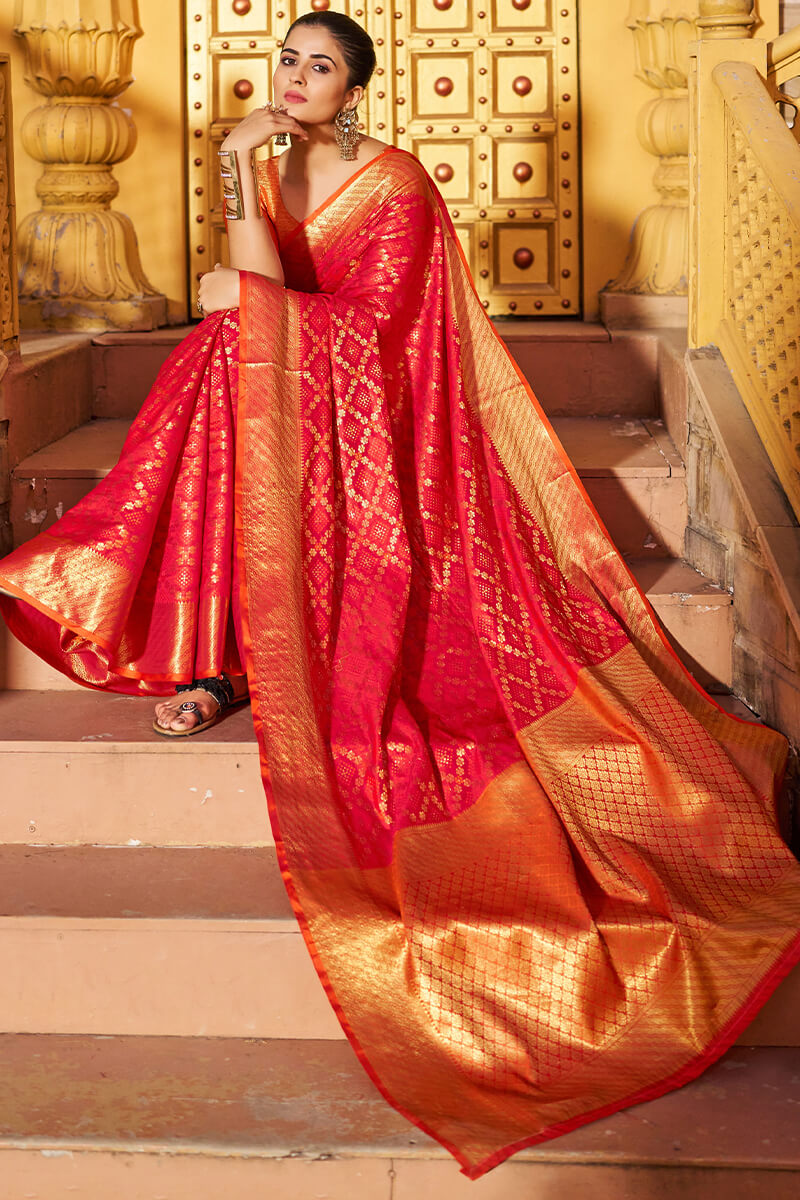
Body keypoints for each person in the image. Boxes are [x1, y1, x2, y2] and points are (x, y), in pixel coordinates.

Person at [1, 10, 799, 1181]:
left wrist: (246, 297)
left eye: (320, 67)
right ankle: (234, 651)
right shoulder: (270, 166)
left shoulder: (400, 184)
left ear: (357, 87)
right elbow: (259, 298)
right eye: (286, 61)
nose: (296, 79)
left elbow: (377, 331)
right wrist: (235, 172)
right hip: (299, 402)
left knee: (233, 345)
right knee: (221, 356)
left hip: (384, 419)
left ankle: (244, 653)